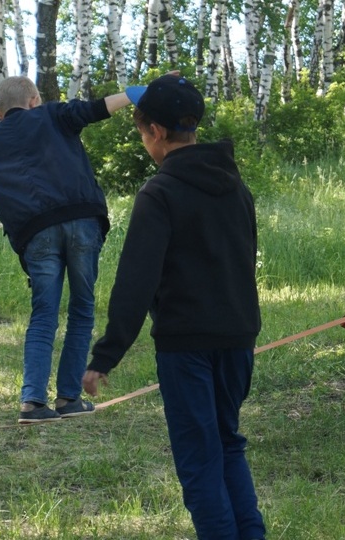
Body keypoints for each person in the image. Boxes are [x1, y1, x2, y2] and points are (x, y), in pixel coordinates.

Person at [82, 74, 267, 540]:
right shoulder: (238, 187)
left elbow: (136, 282)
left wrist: (105, 356)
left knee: (199, 459)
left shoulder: (159, 193)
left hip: (187, 346)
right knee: (228, 445)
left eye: (142, 131)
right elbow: (246, 258)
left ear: (157, 133)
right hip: (239, 339)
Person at [0, 76, 132, 424]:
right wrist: (143, 92)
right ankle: (69, 399)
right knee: (82, 309)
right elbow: (99, 107)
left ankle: (32, 403)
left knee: (44, 315)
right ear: (34, 100)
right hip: (82, 221)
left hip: (36, 234)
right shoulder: (55, 115)